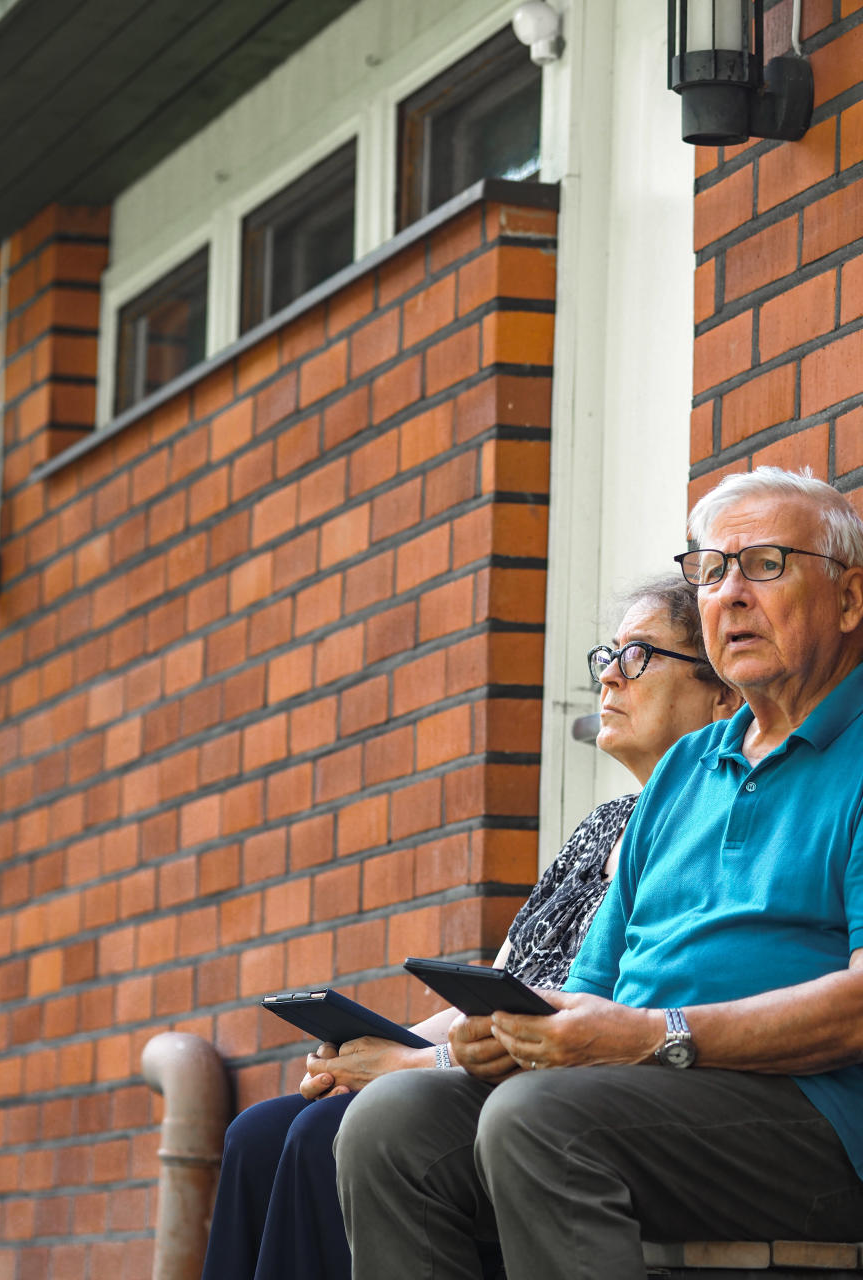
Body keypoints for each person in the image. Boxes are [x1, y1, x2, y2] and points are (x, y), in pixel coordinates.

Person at [335, 465, 863, 1280]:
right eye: (711, 571)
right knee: (394, 1119)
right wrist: (519, 1033)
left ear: (850, 600)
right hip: (639, 1090)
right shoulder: (687, 767)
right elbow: (594, 988)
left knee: (542, 1117)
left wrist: (658, 1037)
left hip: (817, 1117)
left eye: (764, 565)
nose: (730, 595)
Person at [200, 577, 741, 1280]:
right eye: (608, 654)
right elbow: (493, 988)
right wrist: (367, 1049)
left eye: (638, 656)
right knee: (254, 1134)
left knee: (317, 1137)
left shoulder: (698, 829)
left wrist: (410, 1067)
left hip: (547, 1082)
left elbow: (606, 1018)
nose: (608, 674)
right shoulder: (599, 827)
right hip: (489, 1060)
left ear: (722, 695)